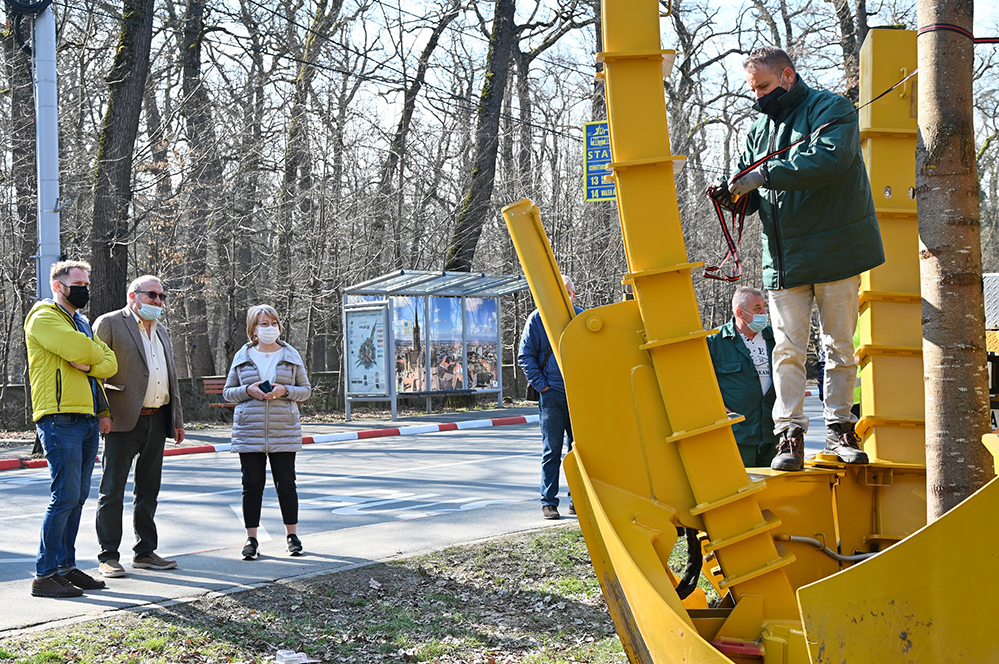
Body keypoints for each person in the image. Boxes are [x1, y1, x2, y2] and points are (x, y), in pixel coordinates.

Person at [727, 46, 884, 472]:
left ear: (788, 76)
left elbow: (830, 161)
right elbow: (749, 182)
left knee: (838, 347)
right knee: (788, 351)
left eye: (763, 86)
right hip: (784, 258)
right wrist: (734, 196)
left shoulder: (832, 108)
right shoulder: (758, 129)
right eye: (752, 89)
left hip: (836, 251)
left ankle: (839, 428)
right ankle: (790, 434)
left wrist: (764, 176)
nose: (757, 95)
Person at [24, 260, 117, 597]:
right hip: (59, 416)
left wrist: (89, 362)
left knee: (77, 497)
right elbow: (90, 353)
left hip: (88, 417)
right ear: (58, 285)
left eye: (87, 283)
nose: (84, 288)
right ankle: (44, 574)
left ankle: (65, 566)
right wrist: (93, 357)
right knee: (63, 496)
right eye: (77, 282)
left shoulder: (81, 321)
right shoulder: (43, 316)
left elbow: (111, 362)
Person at [93, 275, 185, 578]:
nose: (158, 302)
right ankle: (108, 555)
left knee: (148, 489)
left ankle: (145, 551)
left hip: (157, 419)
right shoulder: (109, 323)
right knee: (112, 490)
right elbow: (95, 375)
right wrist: (101, 412)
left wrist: (176, 420)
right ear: (133, 295)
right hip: (121, 420)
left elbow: (171, 378)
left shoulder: (162, 331)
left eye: (162, 296)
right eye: (152, 296)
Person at [224, 305, 311, 559]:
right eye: (263, 324)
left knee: (286, 484)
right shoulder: (242, 356)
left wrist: (285, 390)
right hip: (249, 430)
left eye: (273, 323)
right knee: (252, 485)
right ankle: (251, 539)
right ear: (253, 329)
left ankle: (292, 535)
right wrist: (247, 390)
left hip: (284, 429)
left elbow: (305, 390)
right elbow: (229, 392)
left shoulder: (291, 354)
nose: (269, 328)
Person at [518, 275, 583, 520]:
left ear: (573, 295)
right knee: (551, 451)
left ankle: (578, 499)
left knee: (580, 451)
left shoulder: (581, 317)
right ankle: (548, 502)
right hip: (552, 394)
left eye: (568, 292)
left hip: (579, 396)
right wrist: (543, 386)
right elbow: (525, 356)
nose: (564, 297)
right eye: (560, 292)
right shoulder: (537, 318)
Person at [706, 287, 778, 467]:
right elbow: (699, 382)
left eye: (764, 307)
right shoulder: (714, 342)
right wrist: (716, 407)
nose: (764, 312)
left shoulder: (775, 337)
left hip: (774, 432)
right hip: (739, 434)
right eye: (757, 308)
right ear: (740, 312)